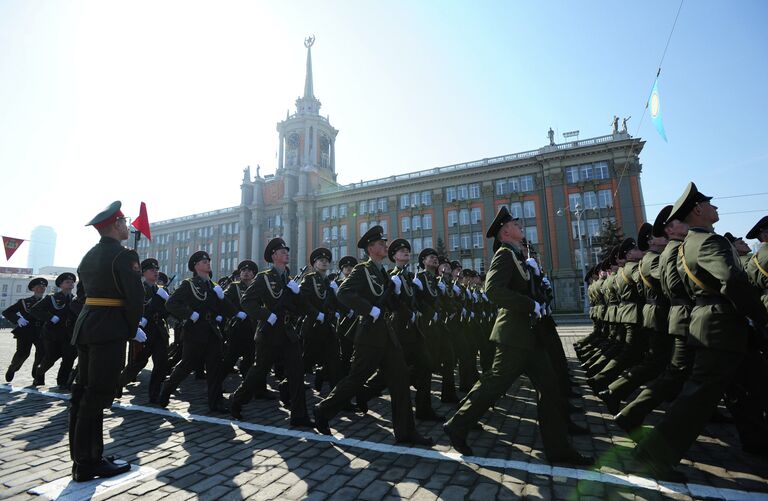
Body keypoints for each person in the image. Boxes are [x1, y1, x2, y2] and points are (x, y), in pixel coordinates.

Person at [634, 183, 768, 481]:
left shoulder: (690, 244)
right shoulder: (709, 242)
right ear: (698, 209)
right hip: (720, 324)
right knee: (698, 396)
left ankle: (755, 439)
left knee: (752, 384)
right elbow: (732, 281)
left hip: (713, 323)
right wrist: (759, 316)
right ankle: (653, 452)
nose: (715, 208)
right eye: (710, 203)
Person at [443, 207, 593, 465]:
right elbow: (493, 290)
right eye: (515, 222)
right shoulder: (504, 255)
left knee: (550, 388)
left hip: (529, 335)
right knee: (493, 384)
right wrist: (528, 304)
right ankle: (457, 424)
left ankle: (559, 450)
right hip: (514, 335)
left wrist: (537, 292)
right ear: (506, 231)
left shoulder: (517, 258)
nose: (520, 225)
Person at [313, 226, 433, 445]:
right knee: (356, 378)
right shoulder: (362, 270)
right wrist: (369, 309)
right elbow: (344, 293)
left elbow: (392, 302)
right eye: (381, 244)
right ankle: (323, 410)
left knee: (400, 379)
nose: (385, 246)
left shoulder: (382, 272)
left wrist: (408, 311)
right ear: (371, 248)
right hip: (368, 336)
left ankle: (406, 431)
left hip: (387, 335)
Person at [69, 201, 145, 481]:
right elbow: (135, 298)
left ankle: (83, 457)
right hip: (109, 330)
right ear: (115, 225)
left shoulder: (88, 256)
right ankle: (88, 462)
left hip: (87, 327)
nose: (127, 226)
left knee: (82, 393)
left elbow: (81, 296)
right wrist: (131, 328)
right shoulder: (124, 256)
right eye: (124, 222)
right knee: (96, 395)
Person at [229, 238, 314, 427]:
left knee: (297, 373)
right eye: (282, 251)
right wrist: (266, 315)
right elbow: (247, 302)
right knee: (259, 371)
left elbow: (301, 309)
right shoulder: (264, 278)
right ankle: (237, 400)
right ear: (274, 256)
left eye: (287, 251)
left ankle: (299, 416)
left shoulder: (289, 280)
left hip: (287, 332)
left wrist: (297, 294)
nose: (286, 254)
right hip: (269, 334)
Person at [159, 250, 234, 413]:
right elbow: (171, 303)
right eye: (204, 261)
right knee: (186, 365)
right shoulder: (189, 284)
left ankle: (216, 403)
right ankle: (166, 389)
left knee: (215, 368)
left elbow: (227, 310)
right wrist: (189, 314)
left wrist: (222, 298)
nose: (207, 263)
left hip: (212, 331)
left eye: (208, 260)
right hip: (195, 332)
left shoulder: (213, 287)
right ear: (196, 266)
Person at [118, 258, 171, 403]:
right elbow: (130, 307)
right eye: (151, 270)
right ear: (144, 272)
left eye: (157, 270)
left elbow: (167, 313)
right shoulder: (137, 289)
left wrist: (167, 302)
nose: (155, 272)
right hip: (144, 332)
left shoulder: (161, 291)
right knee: (138, 363)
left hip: (159, 331)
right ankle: (118, 385)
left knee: (161, 363)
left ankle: (155, 395)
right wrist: (138, 321)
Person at [300, 248, 342, 394]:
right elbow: (303, 301)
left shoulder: (328, 282)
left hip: (327, 326)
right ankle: (287, 387)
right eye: (320, 261)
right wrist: (316, 314)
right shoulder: (309, 279)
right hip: (313, 325)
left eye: (326, 261)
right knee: (307, 361)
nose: (324, 263)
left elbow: (333, 302)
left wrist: (342, 310)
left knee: (334, 358)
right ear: (314, 264)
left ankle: (336, 395)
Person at [31, 272, 79, 388]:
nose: (71, 283)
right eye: (67, 282)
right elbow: (34, 310)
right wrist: (50, 317)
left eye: (72, 282)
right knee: (50, 358)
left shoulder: (75, 299)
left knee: (69, 357)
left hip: (68, 334)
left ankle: (62, 382)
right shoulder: (51, 298)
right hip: (52, 334)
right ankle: (39, 373)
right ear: (60, 285)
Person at [2, 277, 48, 383]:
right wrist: (18, 319)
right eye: (39, 286)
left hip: (41, 331)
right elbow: (7, 312)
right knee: (23, 353)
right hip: (26, 330)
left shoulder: (48, 301)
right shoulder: (24, 302)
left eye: (43, 286)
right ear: (33, 289)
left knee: (42, 353)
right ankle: (13, 368)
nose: (42, 288)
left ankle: (37, 375)